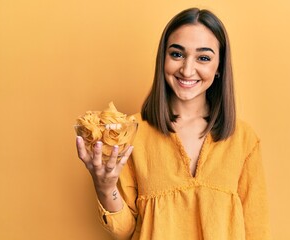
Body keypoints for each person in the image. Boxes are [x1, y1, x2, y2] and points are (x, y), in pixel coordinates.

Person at [76, 7, 271, 240]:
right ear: (163, 58)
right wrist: (105, 188)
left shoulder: (243, 139)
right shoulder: (131, 132)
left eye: (204, 58)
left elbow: (257, 230)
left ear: (219, 67)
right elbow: (125, 231)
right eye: (177, 54)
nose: (187, 69)